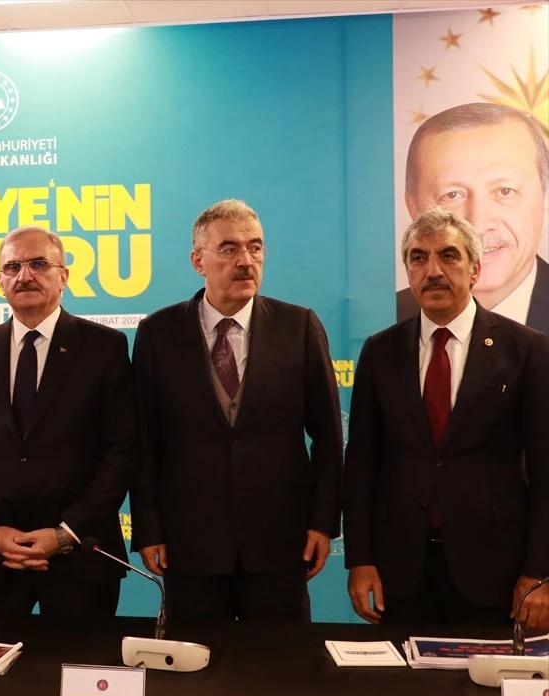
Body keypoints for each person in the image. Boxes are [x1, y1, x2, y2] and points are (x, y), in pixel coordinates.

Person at [129, 199, 342, 624]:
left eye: (255, 247)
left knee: (280, 660)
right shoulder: (158, 333)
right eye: (229, 249)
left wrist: (322, 523)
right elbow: (145, 441)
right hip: (191, 546)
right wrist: (149, 529)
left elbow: (328, 435)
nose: (246, 261)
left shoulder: (298, 326)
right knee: (197, 662)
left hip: (280, 544)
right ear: (198, 261)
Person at [345, 208, 549, 630]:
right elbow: (362, 464)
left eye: (448, 256)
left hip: (495, 572)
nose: (433, 271)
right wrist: (361, 560)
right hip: (401, 572)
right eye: (418, 258)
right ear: (408, 271)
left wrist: (539, 573)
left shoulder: (527, 349)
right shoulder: (379, 351)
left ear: (474, 269)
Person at [0, 225, 136, 619]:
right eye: (12, 267)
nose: (25, 276)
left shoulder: (104, 347)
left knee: (80, 660)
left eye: (38, 264)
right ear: (0, 281)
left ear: (64, 276)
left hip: (80, 558)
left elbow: (122, 452)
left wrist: (65, 534)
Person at [397, 103, 548, 333]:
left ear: (544, 199)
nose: (478, 225)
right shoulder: (383, 321)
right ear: (413, 209)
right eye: (452, 195)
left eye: (504, 191)